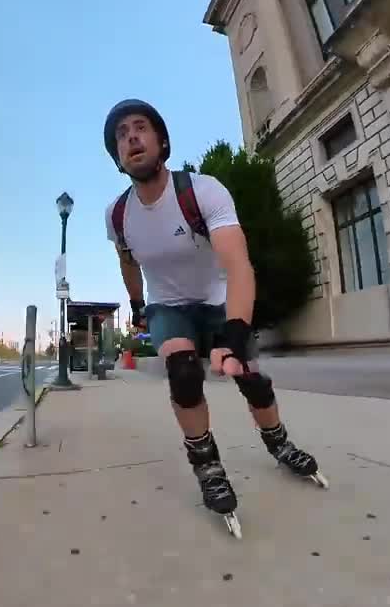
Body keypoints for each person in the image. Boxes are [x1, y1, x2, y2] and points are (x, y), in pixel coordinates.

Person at [102, 99, 325, 530]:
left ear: (161, 141)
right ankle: (208, 467)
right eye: (122, 134)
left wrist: (236, 331)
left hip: (217, 296)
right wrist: (136, 305)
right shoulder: (117, 215)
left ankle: (278, 443)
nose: (131, 137)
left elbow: (239, 264)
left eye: (141, 127)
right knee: (184, 374)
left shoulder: (201, 191)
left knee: (250, 377)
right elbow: (127, 260)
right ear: (117, 157)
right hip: (168, 305)